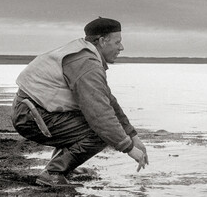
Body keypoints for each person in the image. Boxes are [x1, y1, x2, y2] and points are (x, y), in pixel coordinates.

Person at [11, 17, 148, 186]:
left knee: (95, 124)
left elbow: (108, 101)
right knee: (100, 131)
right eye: (117, 42)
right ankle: (54, 173)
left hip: (35, 110)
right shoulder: (86, 64)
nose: (121, 47)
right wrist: (129, 149)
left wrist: (133, 136)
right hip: (31, 116)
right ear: (103, 41)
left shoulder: (86, 55)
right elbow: (100, 116)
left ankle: (64, 166)